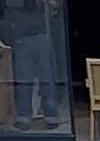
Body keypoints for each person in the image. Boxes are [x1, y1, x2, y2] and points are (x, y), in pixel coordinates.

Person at [2, 0, 62, 129]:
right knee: (25, 80)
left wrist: (51, 5)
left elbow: (56, 7)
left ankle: (49, 117)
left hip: (40, 34)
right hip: (23, 36)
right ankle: (25, 117)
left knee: (46, 78)